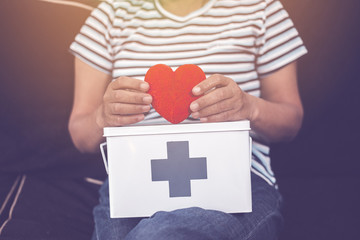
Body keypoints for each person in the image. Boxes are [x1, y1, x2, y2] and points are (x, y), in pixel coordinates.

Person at [68, 0, 307, 239]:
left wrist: (249, 107)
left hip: (237, 179)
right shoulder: (110, 16)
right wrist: (103, 116)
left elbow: (290, 122)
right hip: (130, 180)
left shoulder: (261, 9)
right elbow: (81, 135)